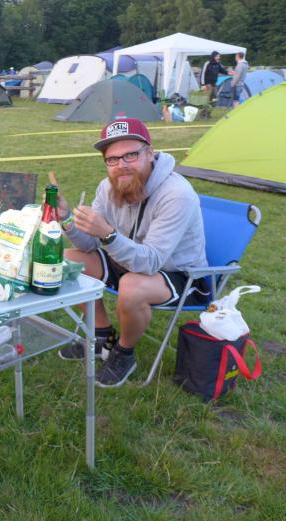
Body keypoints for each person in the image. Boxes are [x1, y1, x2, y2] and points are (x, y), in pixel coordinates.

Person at [54, 118, 209, 387]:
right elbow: (89, 246)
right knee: (66, 263)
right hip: (128, 262)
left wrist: (108, 234)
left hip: (181, 276)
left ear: (150, 153)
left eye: (130, 155)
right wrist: (67, 219)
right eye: (112, 159)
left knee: (131, 287)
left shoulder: (177, 194)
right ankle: (102, 335)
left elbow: (151, 262)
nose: (121, 165)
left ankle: (124, 353)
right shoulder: (108, 187)